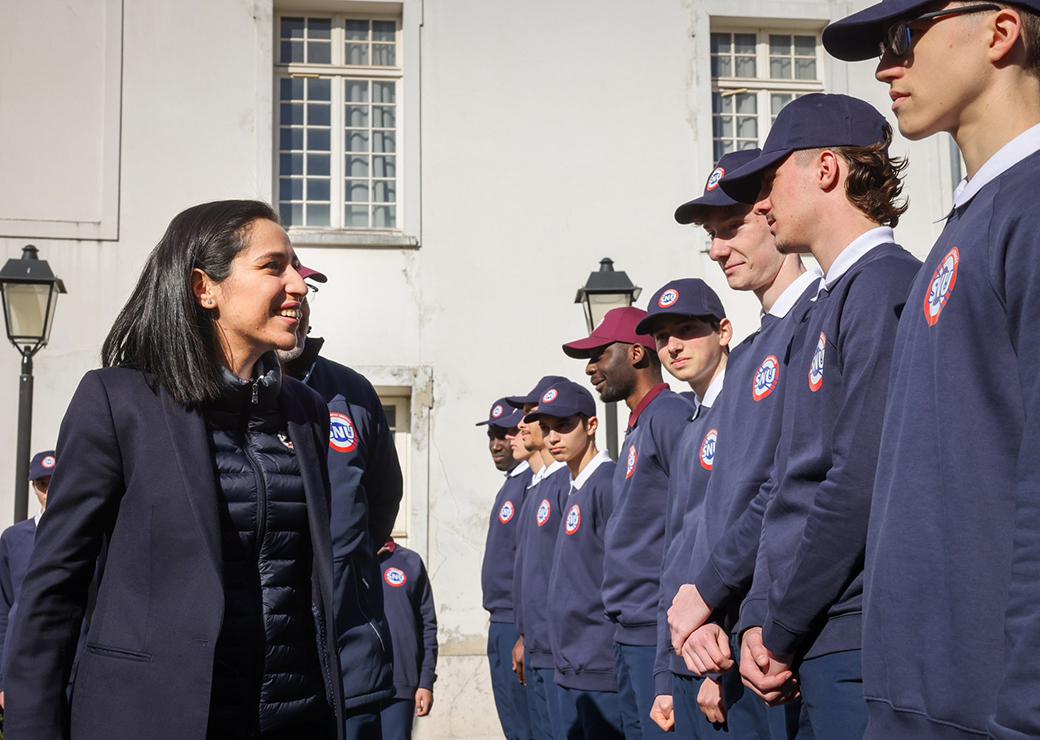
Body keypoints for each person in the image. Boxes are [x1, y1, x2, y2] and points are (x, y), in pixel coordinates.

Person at [4, 200, 343, 740]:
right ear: (204, 288)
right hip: (153, 718)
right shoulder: (119, 402)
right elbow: (55, 586)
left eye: (297, 267)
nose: (299, 284)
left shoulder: (307, 413)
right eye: (273, 266)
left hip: (292, 717)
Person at [823, 3, 1040, 737]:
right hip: (922, 697)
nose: (887, 65)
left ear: (1000, 31)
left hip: (994, 708)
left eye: (905, 37)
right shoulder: (971, 221)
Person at [712, 94, 919, 737]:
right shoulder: (833, 300)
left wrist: (780, 624)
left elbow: (856, 477)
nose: (763, 204)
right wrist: (764, 620)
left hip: (852, 631)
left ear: (826, 169)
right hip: (808, 633)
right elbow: (788, 488)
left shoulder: (882, 284)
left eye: (772, 181)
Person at [664, 150, 820, 740]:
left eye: (731, 229)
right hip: (736, 639)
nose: (717, 249)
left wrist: (721, 605)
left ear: (773, 213)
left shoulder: (818, 317)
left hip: (787, 637)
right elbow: (720, 510)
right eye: (711, 236)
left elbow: (795, 492)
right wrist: (713, 621)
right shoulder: (752, 351)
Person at [280, 266, 404, 739]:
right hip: (260, 667)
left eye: (304, 294)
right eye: (281, 291)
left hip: (349, 656)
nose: (295, 302)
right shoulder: (219, 389)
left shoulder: (352, 393)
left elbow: (382, 497)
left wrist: (344, 569)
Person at [562, 307, 693, 739]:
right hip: (628, 631)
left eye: (600, 354)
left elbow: (695, 517)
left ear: (637, 353)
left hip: (656, 632)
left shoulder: (670, 416)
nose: (591, 368)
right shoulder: (639, 427)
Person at [532, 380, 623, 739]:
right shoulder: (571, 488)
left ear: (591, 425)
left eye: (565, 426)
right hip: (568, 661)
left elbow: (620, 574)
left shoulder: (607, 482)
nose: (554, 437)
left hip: (600, 664)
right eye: (547, 429)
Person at [508, 376, 570, 738]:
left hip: (558, 645)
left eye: (530, 416)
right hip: (536, 640)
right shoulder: (540, 487)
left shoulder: (564, 482)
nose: (521, 425)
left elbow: (562, 572)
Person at [476, 398, 534, 740]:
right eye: (492, 435)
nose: (497, 444)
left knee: (528, 725)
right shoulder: (513, 482)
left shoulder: (532, 482)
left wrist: (526, 631)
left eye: (506, 433)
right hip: (501, 621)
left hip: (518, 622)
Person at [0, 450, 56, 708]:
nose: (48, 491)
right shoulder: (13, 539)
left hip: (71, 664)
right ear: (34, 487)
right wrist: (2, 680)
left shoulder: (88, 536)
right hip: (24, 663)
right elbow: (4, 610)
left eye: (54, 481)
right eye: (42, 484)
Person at [377, 538, 438, 740]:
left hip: (400, 687)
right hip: (354, 689)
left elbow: (428, 625)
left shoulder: (410, 562)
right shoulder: (346, 558)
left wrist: (426, 681)